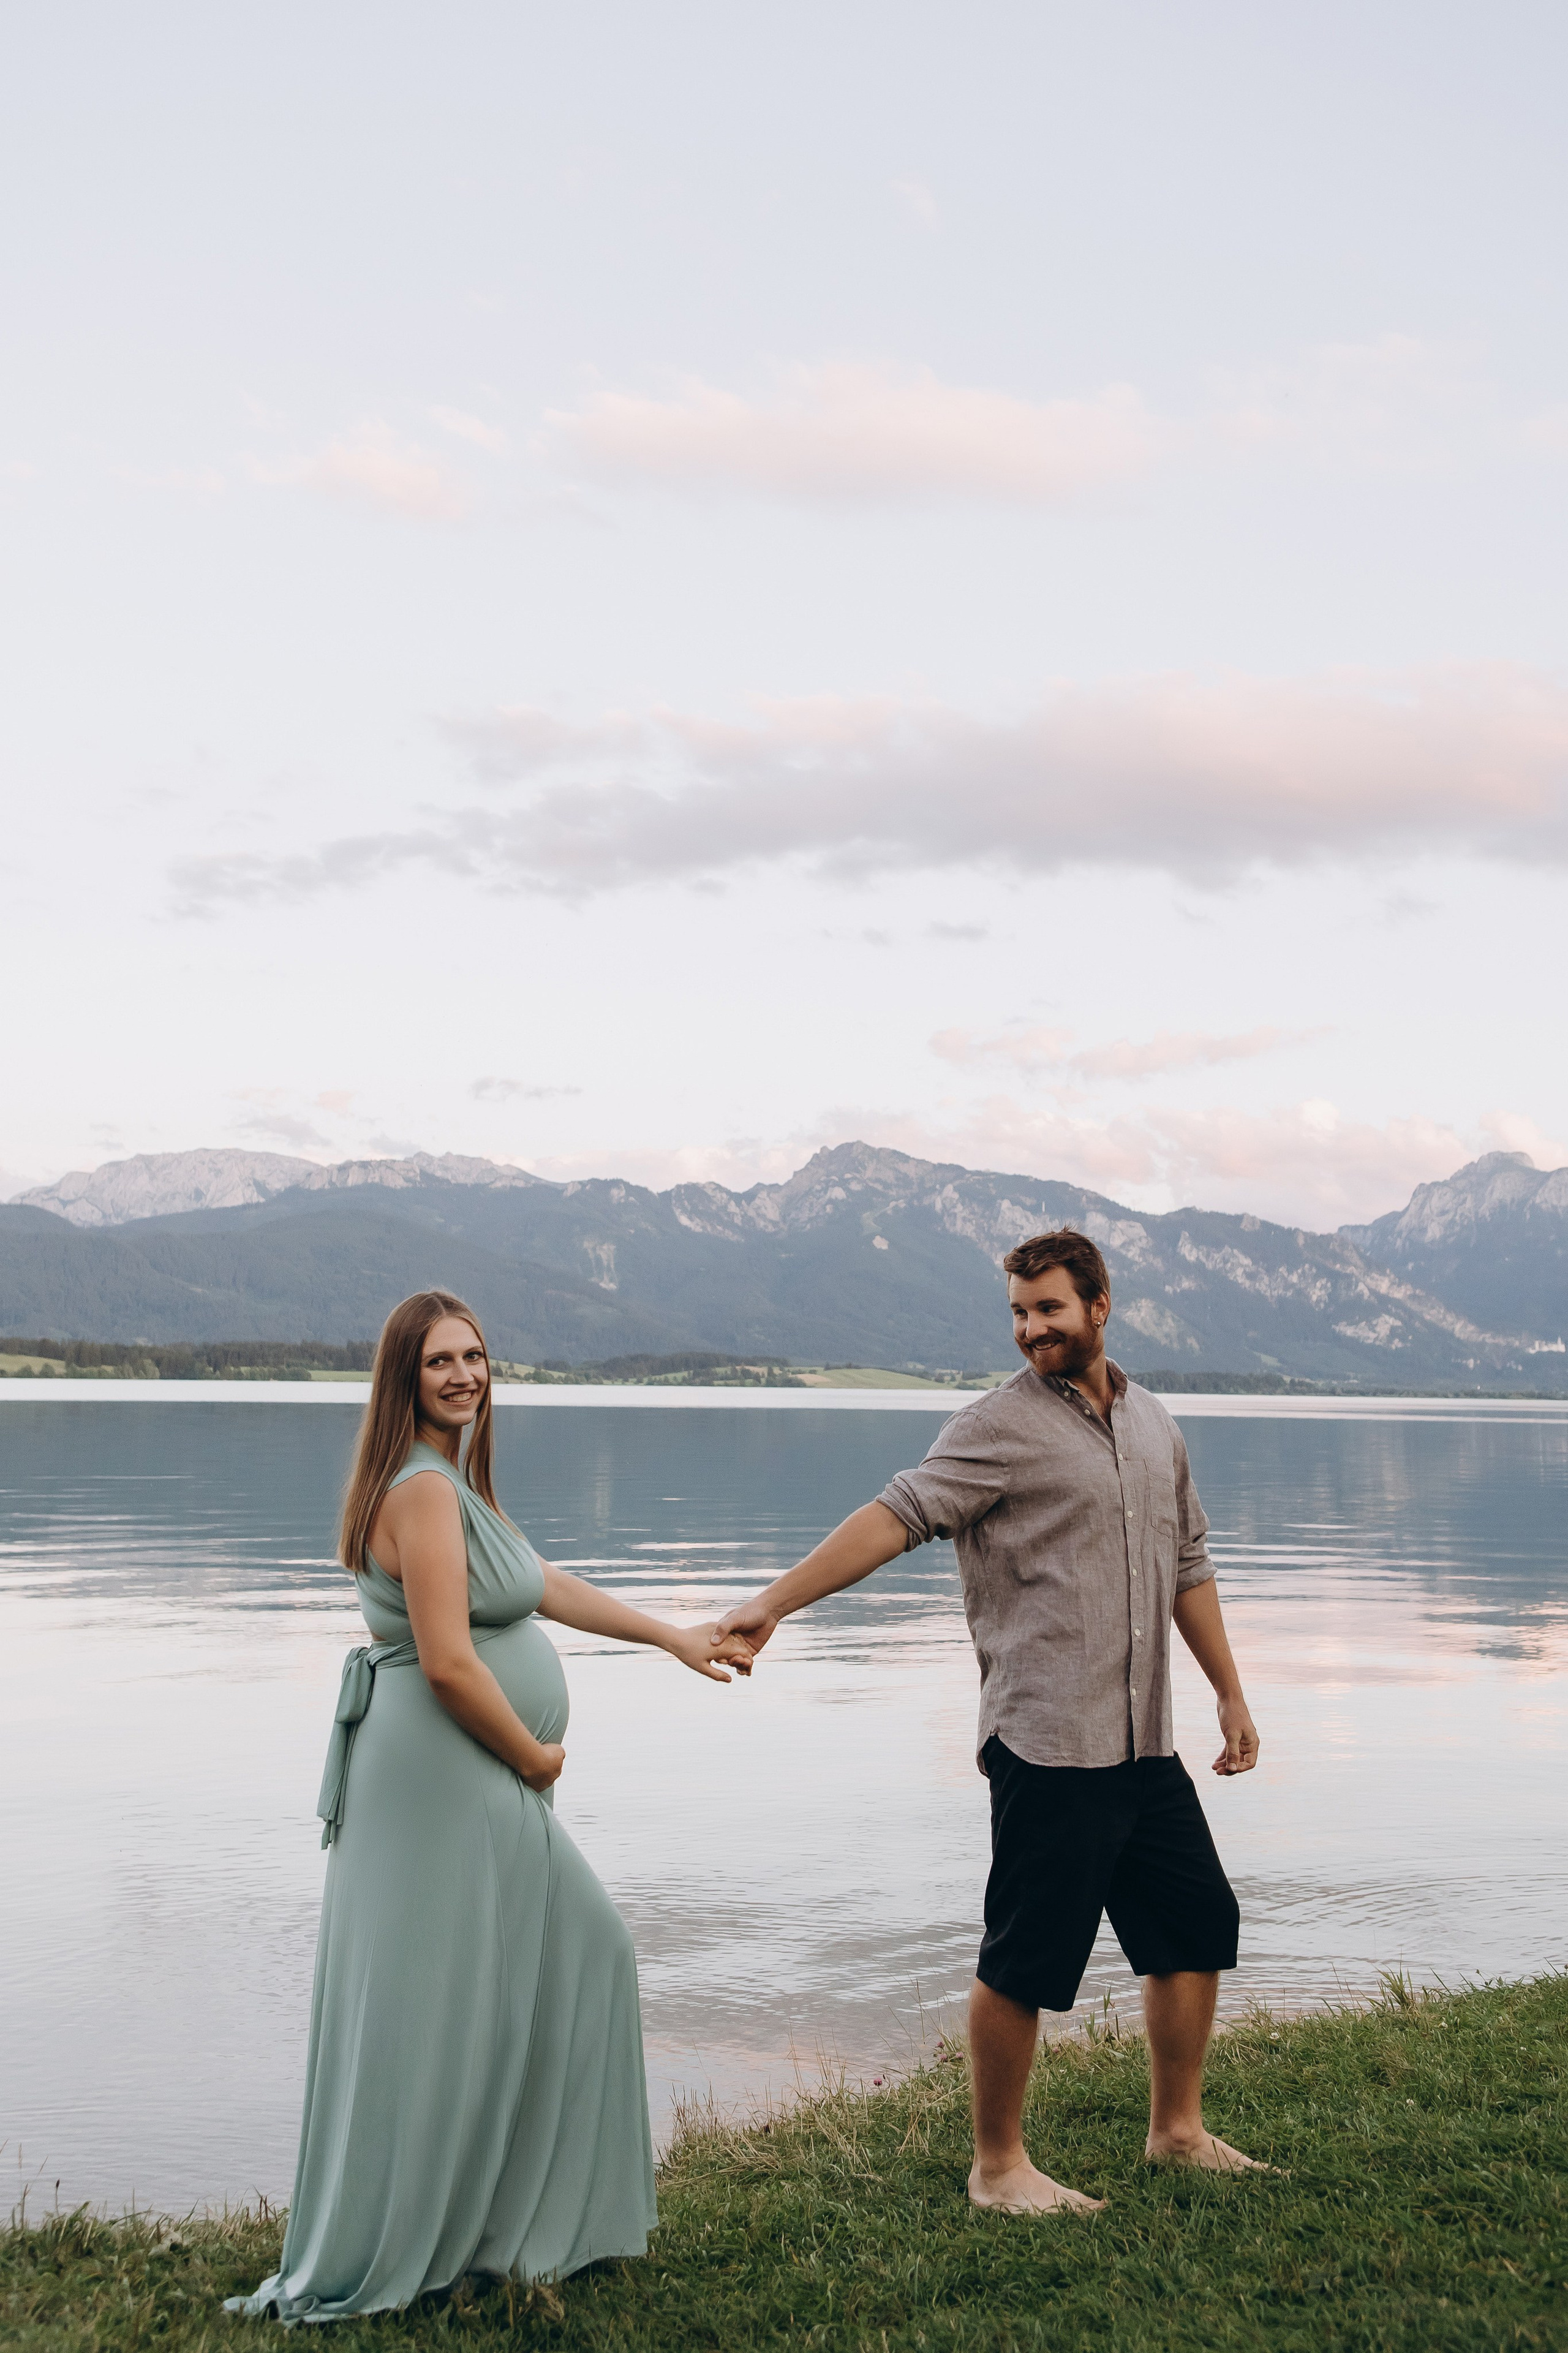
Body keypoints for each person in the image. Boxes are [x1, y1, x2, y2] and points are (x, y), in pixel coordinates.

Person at [227, 1288, 752, 2321]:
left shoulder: (450, 1483)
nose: (465, 1374)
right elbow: (451, 1665)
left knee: (537, 1970)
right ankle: (462, 2236)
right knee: (468, 1993)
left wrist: (674, 1634)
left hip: (463, 1774)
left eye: (475, 1356)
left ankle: (506, 2230)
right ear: (404, 1379)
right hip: (452, 1772)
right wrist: (534, 1759)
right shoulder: (420, 1492)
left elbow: (540, 1583)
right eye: (440, 1362)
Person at [717, 1228, 1262, 2215]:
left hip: (1145, 1740)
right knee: (1026, 1955)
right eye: (1017, 1312)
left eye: (1048, 1308)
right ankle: (998, 2166)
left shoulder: (1156, 1426)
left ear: (1100, 1304)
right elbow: (898, 1513)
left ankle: (1176, 2132)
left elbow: (1190, 1563)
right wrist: (776, 1603)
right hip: (1049, 1742)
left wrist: (1227, 1688)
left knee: (1195, 1926)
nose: (1029, 1329)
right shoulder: (994, 1427)